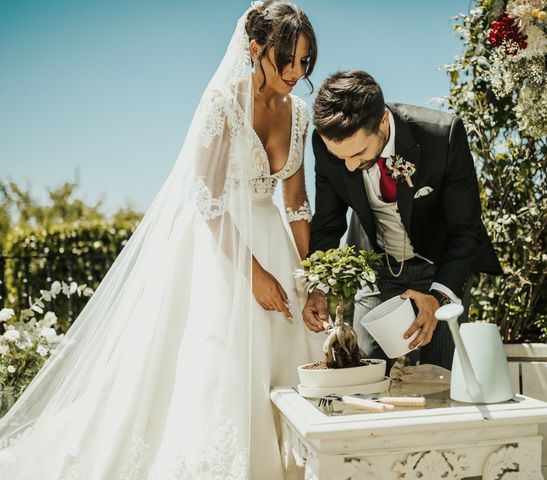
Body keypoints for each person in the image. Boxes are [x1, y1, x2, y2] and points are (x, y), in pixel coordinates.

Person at [0, 2, 322, 478]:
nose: (297, 72)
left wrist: (311, 279)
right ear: (255, 49)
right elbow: (208, 202)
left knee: (289, 376)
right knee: (224, 374)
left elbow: (295, 203)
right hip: (222, 254)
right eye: (287, 59)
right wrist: (253, 275)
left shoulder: (299, 114)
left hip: (275, 244)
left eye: (305, 61)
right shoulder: (222, 104)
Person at [302, 70, 502, 372]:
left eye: (359, 154)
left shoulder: (441, 136)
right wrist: (318, 288)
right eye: (341, 158)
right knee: (364, 375)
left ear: (383, 121)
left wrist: (437, 298)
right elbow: (328, 222)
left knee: (442, 377)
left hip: (440, 266)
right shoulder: (326, 144)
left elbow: (466, 230)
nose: (351, 166)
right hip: (378, 269)